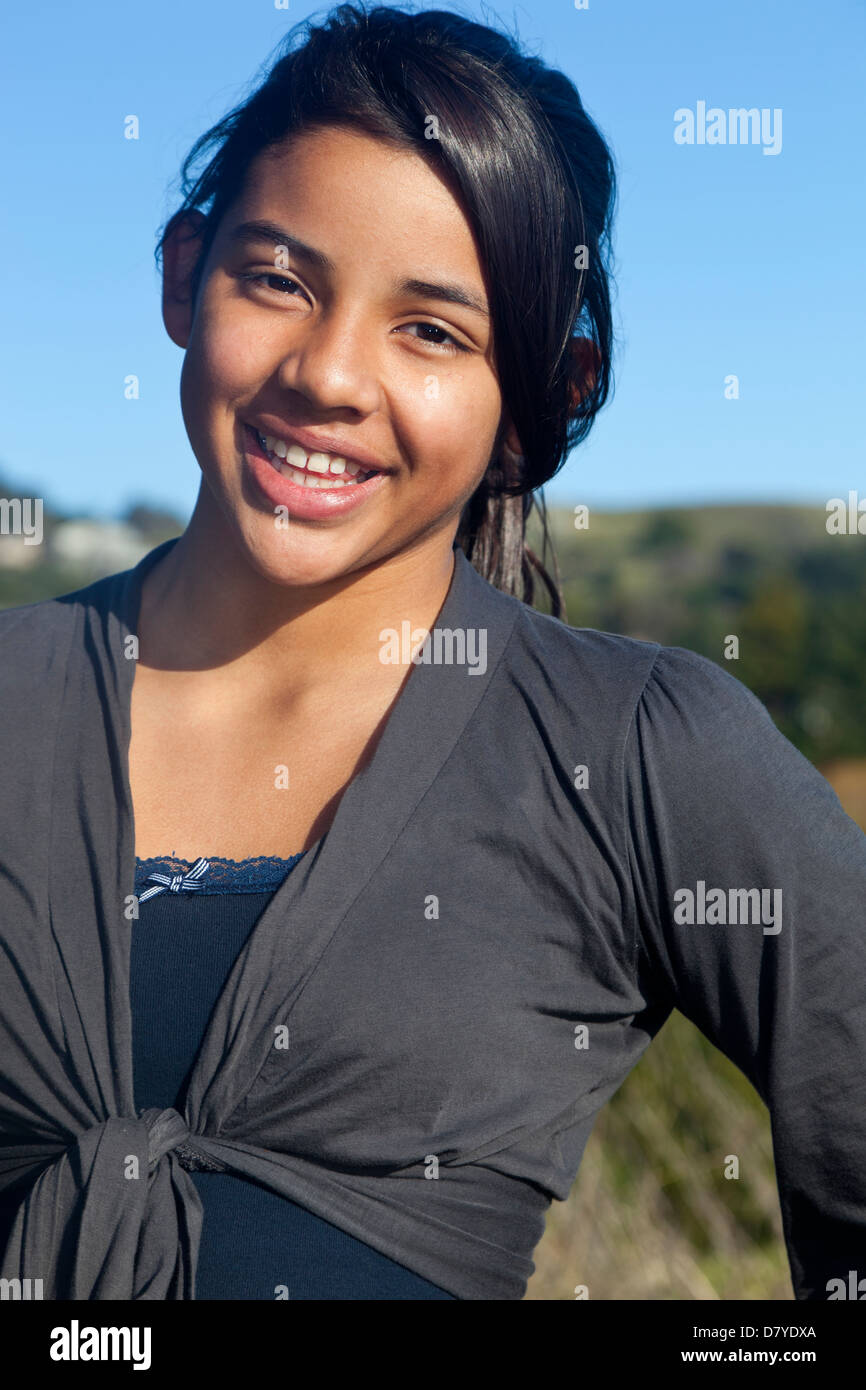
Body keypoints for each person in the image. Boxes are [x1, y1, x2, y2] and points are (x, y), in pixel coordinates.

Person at [1, 3, 864, 1302]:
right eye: (279, 278)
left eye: (432, 331)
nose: (332, 374)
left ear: (541, 394)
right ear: (184, 274)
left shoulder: (633, 749)